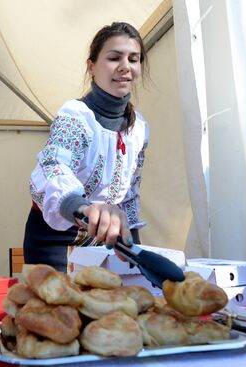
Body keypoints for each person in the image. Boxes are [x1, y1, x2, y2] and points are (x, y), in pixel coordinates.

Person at [23, 22, 149, 273]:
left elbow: (130, 194)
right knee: (58, 308)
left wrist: (133, 247)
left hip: (105, 238)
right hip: (56, 235)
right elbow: (53, 167)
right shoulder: (76, 115)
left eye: (133, 59)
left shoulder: (139, 128)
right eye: (114, 58)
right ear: (91, 67)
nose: (125, 67)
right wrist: (84, 208)